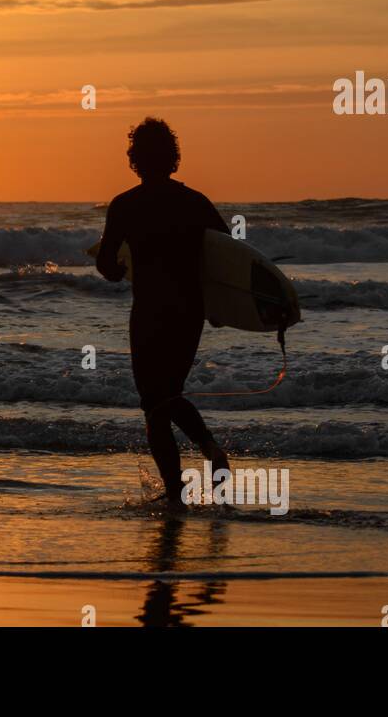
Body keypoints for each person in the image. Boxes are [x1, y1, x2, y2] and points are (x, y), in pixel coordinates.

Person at [95, 117, 230, 507]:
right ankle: (208, 450)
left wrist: (117, 270)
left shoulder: (125, 206)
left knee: (154, 403)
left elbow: (106, 265)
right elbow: (229, 259)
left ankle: (177, 492)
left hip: (150, 312)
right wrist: (224, 307)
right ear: (172, 157)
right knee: (166, 394)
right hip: (188, 312)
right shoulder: (195, 202)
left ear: (135, 159)